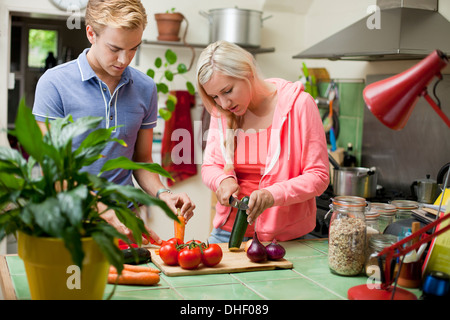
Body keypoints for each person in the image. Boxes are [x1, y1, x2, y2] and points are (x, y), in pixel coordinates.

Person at [32, 0, 195, 244]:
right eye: (115, 48)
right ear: (91, 33)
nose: (124, 59)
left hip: (124, 224)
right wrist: (99, 208)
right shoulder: (54, 84)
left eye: (133, 49)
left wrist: (163, 194)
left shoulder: (145, 88)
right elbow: (53, 169)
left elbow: (141, 160)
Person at [196, 40, 329, 243]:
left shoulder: (300, 105)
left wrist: (272, 195)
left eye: (227, 90)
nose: (223, 103)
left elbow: (318, 176)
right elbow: (210, 166)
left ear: (248, 72)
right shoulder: (223, 112)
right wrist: (223, 180)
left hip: (284, 239)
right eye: (214, 96)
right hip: (228, 233)